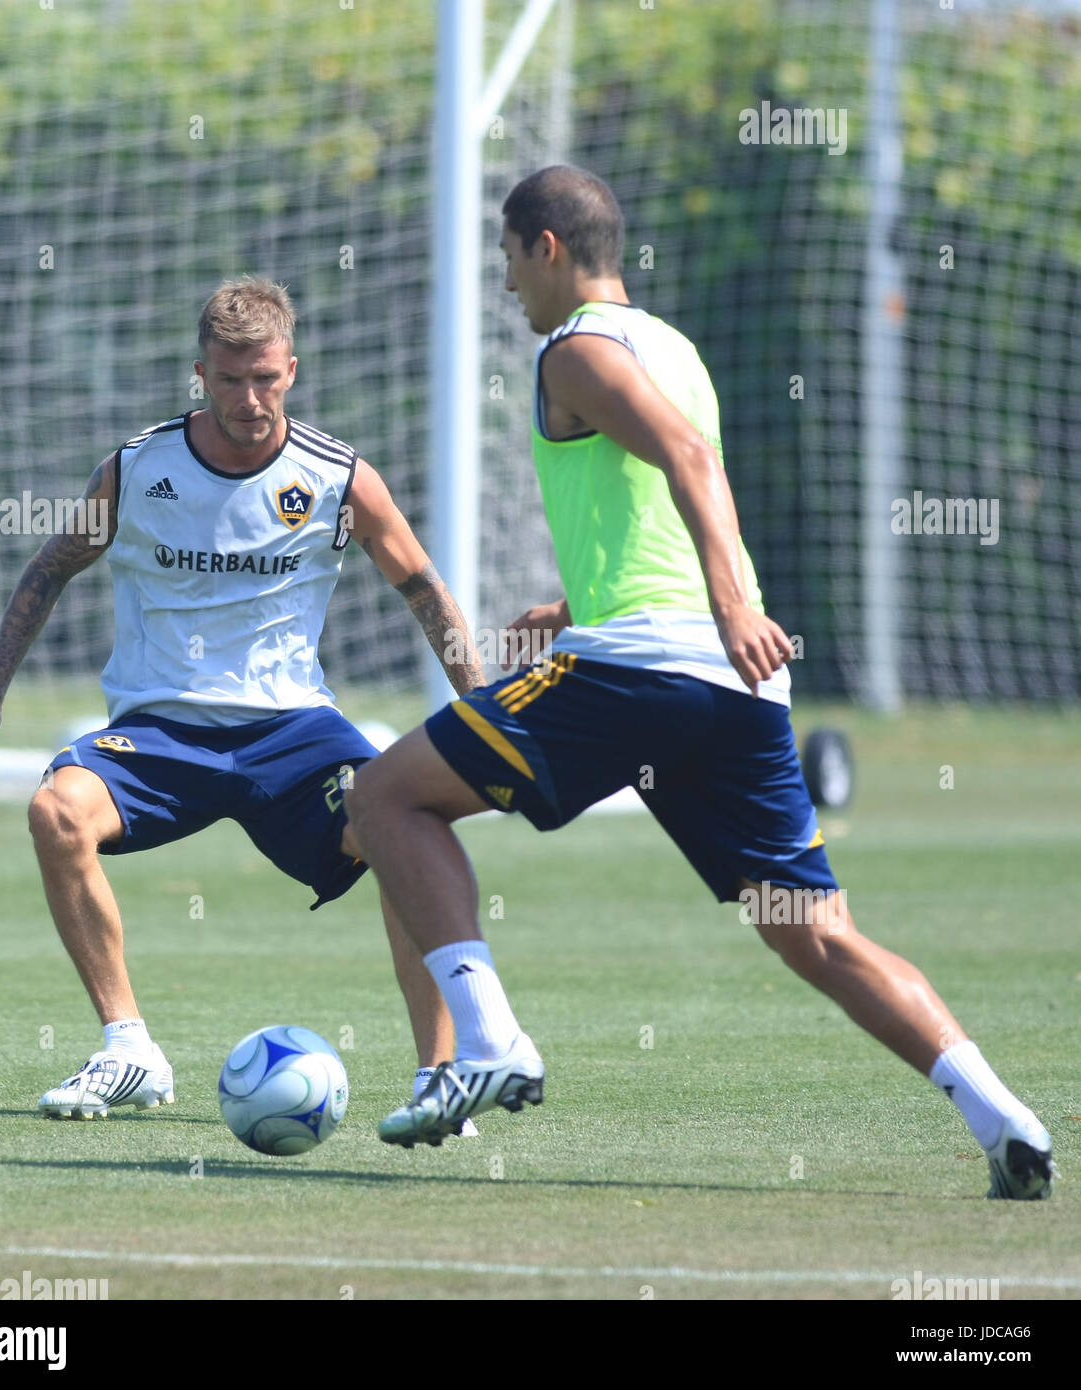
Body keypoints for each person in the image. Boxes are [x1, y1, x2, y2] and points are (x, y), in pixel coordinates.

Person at [345, 166, 1054, 1199]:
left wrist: (724, 605)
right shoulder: (670, 346)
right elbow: (663, 500)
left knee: (385, 793)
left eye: (506, 258)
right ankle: (1004, 1118)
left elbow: (683, 457)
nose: (504, 285)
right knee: (812, 932)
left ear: (545, 248)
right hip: (725, 692)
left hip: (651, 671)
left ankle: (489, 1040)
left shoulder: (572, 347)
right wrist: (586, 606)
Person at [0, 276, 484, 1124]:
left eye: (264, 377)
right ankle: (129, 1051)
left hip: (294, 732)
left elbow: (424, 590)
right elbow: (49, 566)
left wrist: (479, 714)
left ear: (292, 370)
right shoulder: (138, 468)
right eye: (229, 379)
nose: (249, 397)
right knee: (56, 813)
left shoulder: (338, 478)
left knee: (402, 824)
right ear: (200, 374)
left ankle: (441, 1077)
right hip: (161, 734)